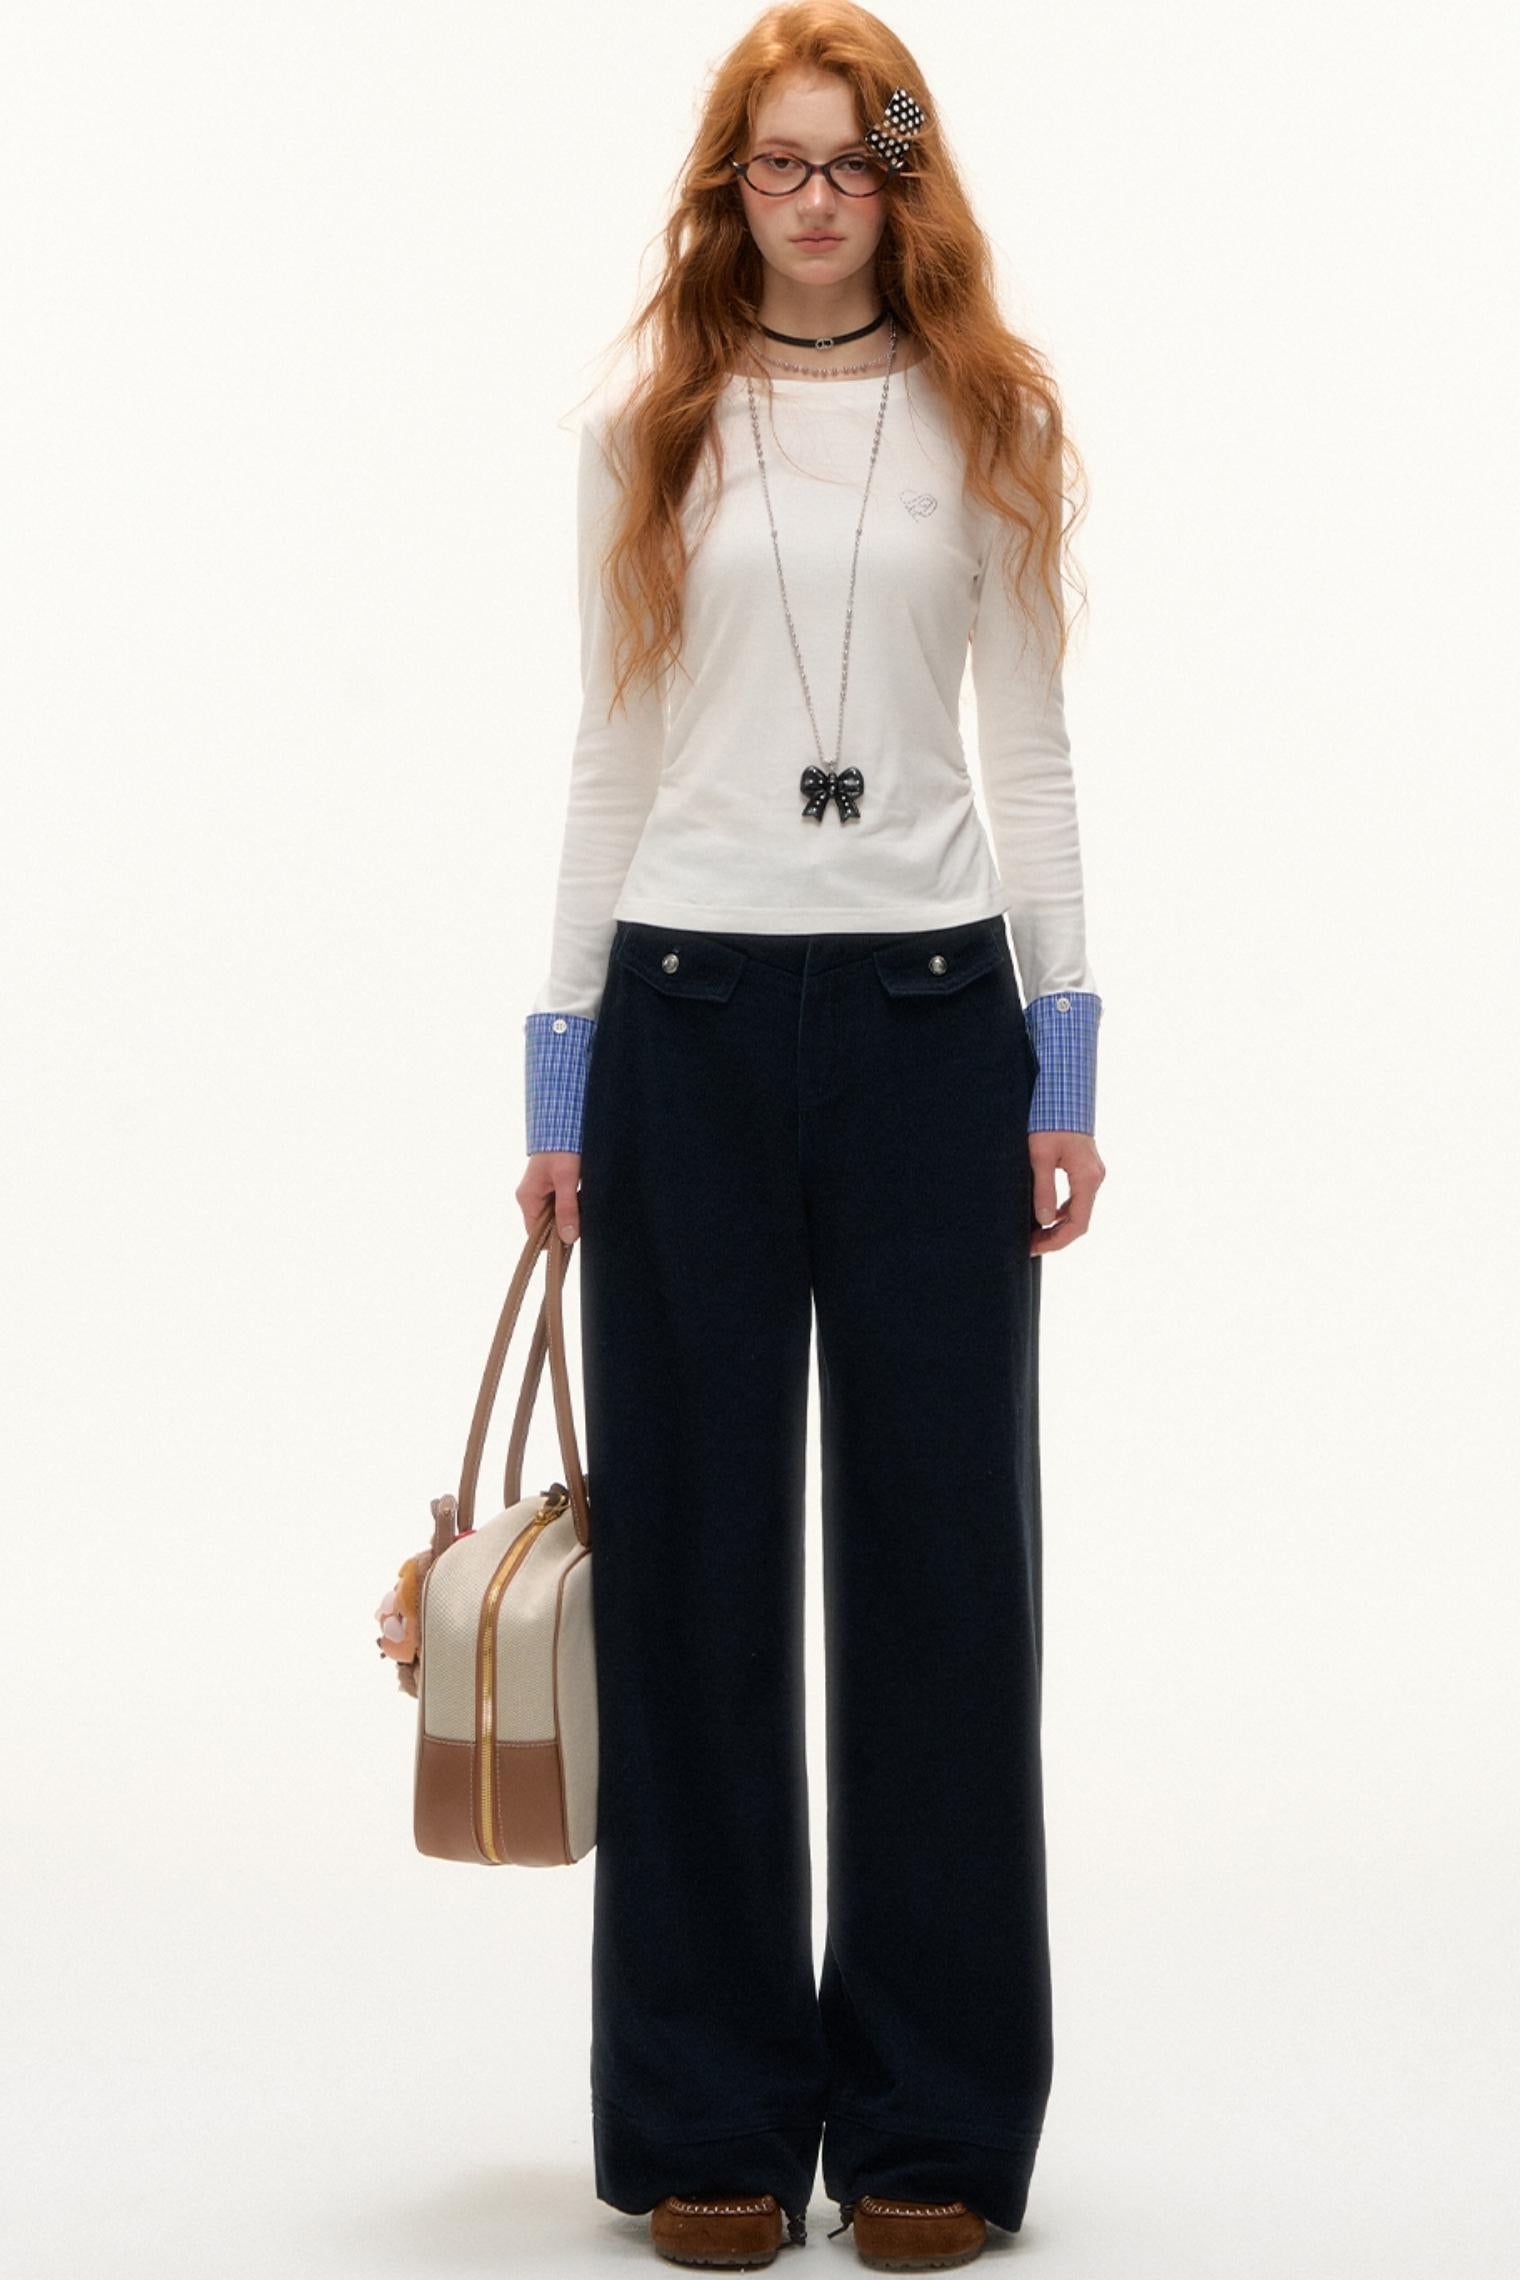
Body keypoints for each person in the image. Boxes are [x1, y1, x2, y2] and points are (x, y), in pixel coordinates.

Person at [515, 8, 1106, 2268]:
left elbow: (1031, 750)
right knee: (694, 1568)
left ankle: (935, 2119)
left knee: (945, 1567)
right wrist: (558, 1083)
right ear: (726, 185)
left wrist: (1064, 1063)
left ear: (905, 178)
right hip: (680, 1011)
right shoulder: (645, 428)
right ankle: (713, 2116)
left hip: (934, 1021)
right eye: (776, 164)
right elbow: (608, 749)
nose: (816, 202)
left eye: (854, 162)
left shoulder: (992, 415)